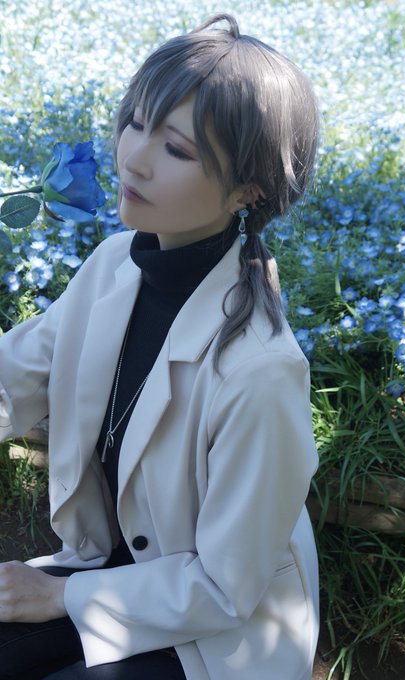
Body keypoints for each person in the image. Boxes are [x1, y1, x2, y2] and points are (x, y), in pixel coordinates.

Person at [0, 13, 320, 680]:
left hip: (218, 633)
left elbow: (225, 588)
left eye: (176, 150)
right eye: (136, 123)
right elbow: (12, 381)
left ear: (248, 190)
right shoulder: (113, 265)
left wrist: (56, 596)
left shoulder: (262, 370)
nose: (134, 158)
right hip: (112, 573)